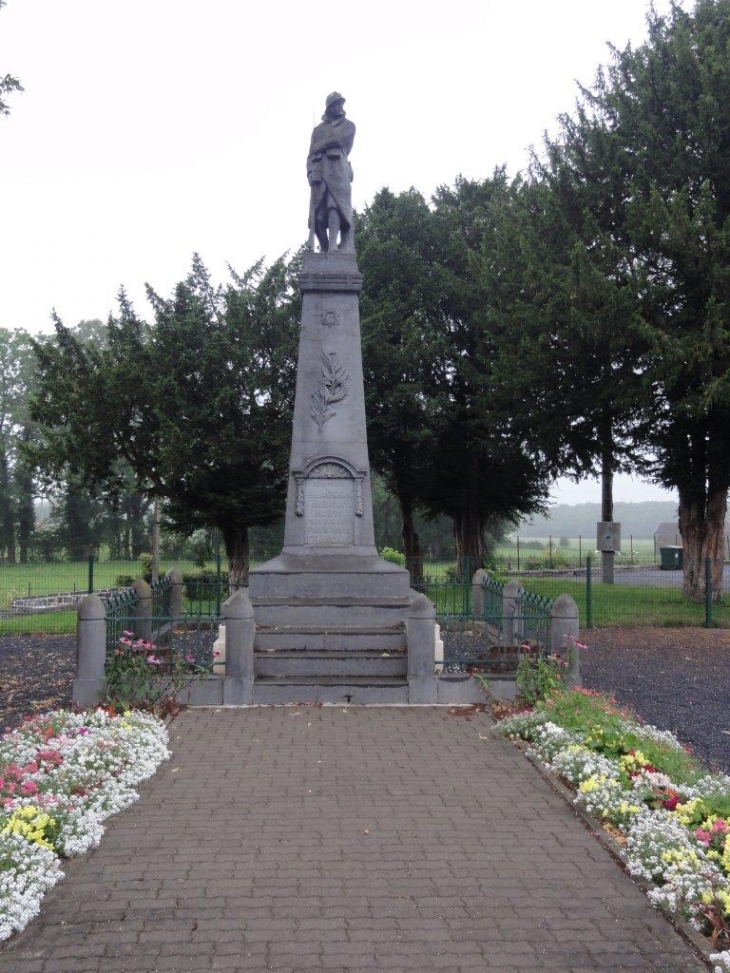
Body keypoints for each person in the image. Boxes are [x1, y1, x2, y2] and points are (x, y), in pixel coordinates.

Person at [307, 92, 356, 252]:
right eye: (336, 104)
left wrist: (319, 145)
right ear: (329, 108)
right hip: (319, 172)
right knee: (318, 217)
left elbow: (339, 139)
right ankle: (326, 248)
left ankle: (334, 246)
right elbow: (310, 154)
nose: (340, 107)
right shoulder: (318, 130)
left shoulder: (349, 125)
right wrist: (309, 173)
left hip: (338, 173)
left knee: (334, 207)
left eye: (341, 103)